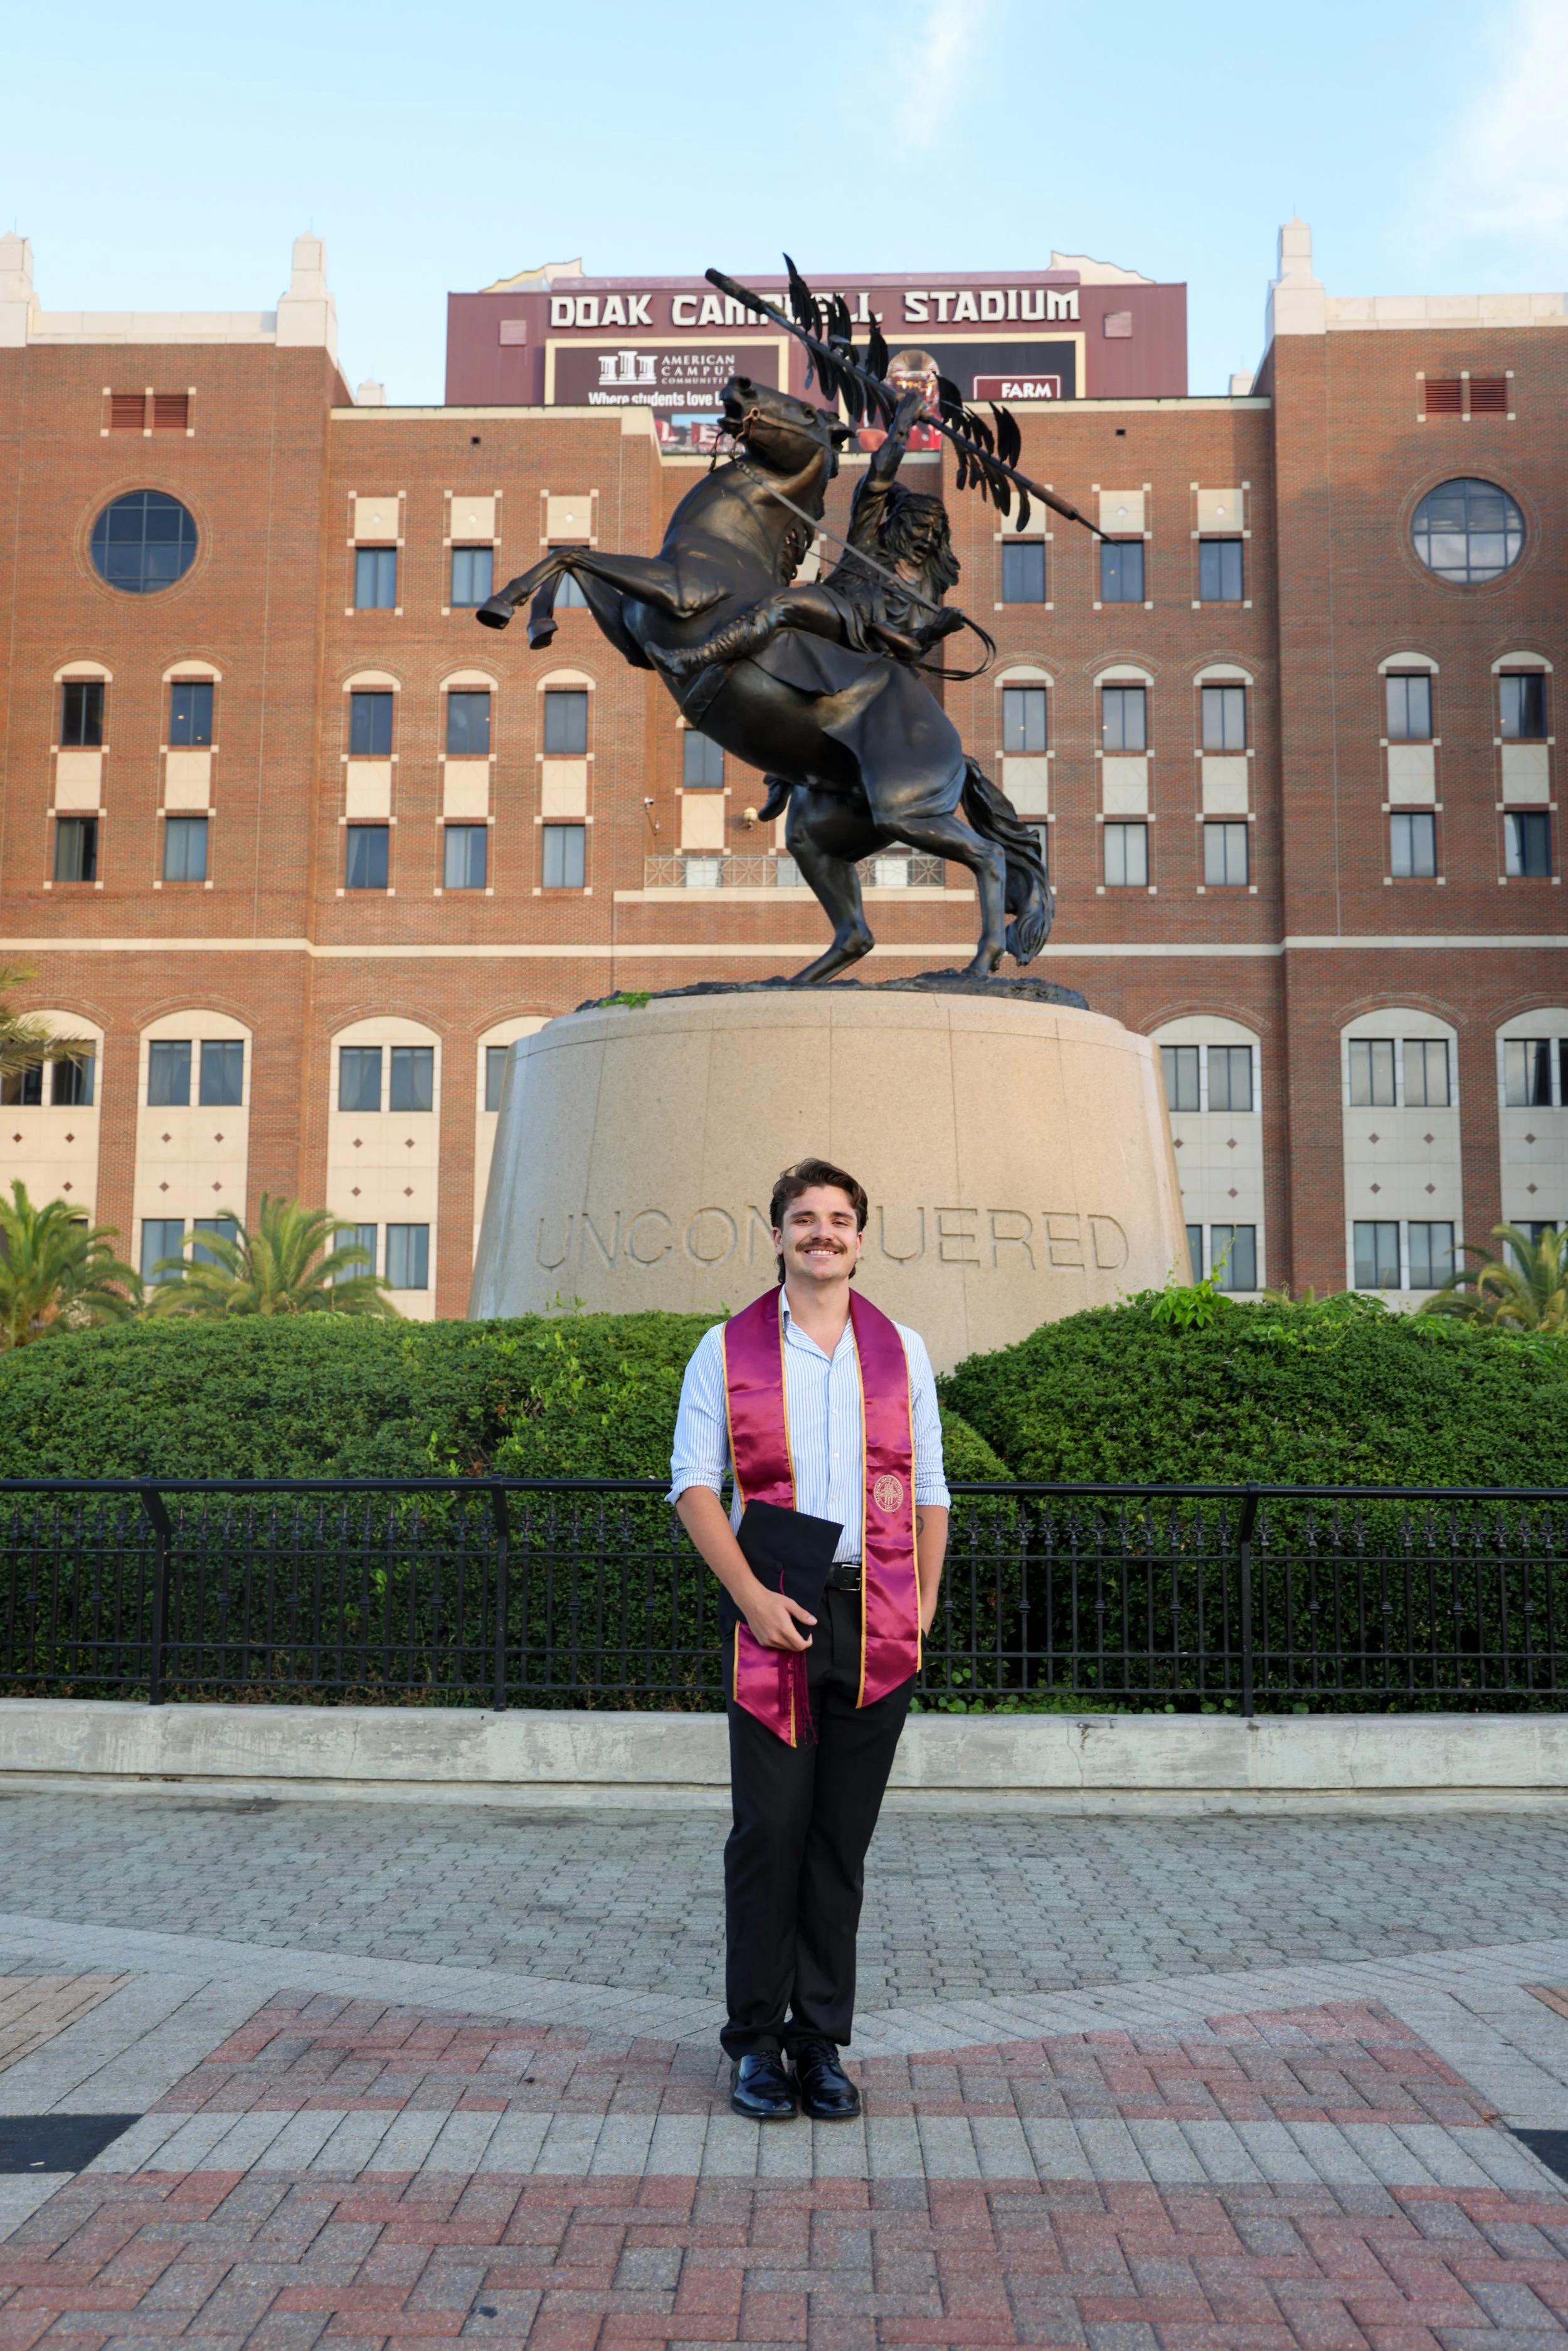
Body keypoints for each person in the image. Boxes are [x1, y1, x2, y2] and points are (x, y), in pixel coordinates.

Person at [669, 1158, 950, 2122]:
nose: (821, 1233)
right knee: (768, 1835)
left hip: (875, 1613)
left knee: (840, 1843)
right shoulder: (727, 1348)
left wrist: (924, 1607)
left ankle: (819, 2042)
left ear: (861, 1240)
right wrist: (746, 1597)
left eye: (839, 1219)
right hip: (773, 1611)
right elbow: (693, 1486)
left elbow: (930, 1495)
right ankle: (754, 2044)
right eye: (804, 1218)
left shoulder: (901, 1351)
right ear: (778, 1234)